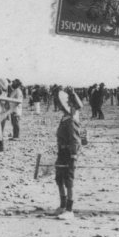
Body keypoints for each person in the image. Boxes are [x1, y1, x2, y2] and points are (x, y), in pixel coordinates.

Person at [51, 88, 83, 220]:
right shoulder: (65, 118)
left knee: (68, 181)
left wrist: (73, 156)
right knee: (59, 179)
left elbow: (75, 140)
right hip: (61, 151)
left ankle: (70, 209)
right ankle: (62, 205)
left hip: (68, 153)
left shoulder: (71, 120)